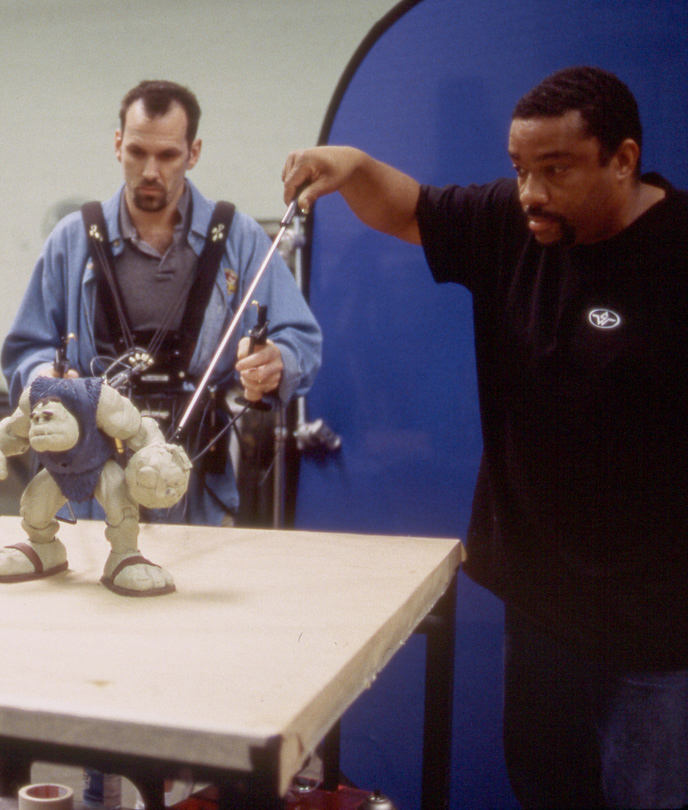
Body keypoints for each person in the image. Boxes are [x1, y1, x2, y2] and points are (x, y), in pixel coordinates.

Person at [281, 65, 688, 809]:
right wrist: (353, 166)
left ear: (622, 160)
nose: (530, 191)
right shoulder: (516, 224)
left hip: (655, 632)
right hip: (540, 609)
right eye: (519, 169)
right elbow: (409, 210)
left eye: (555, 170)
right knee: (543, 791)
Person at [0, 80, 321, 807]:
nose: (150, 172)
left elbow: (300, 336)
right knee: (97, 666)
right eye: (136, 152)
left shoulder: (243, 242)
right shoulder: (71, 241)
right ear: (116, 144)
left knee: (194, 664)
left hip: (194, 490)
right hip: (85, 490)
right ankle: (110, 793)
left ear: (193, 152)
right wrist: (47, 381)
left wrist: (278, 365)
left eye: (168, 155)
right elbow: (23, 348)